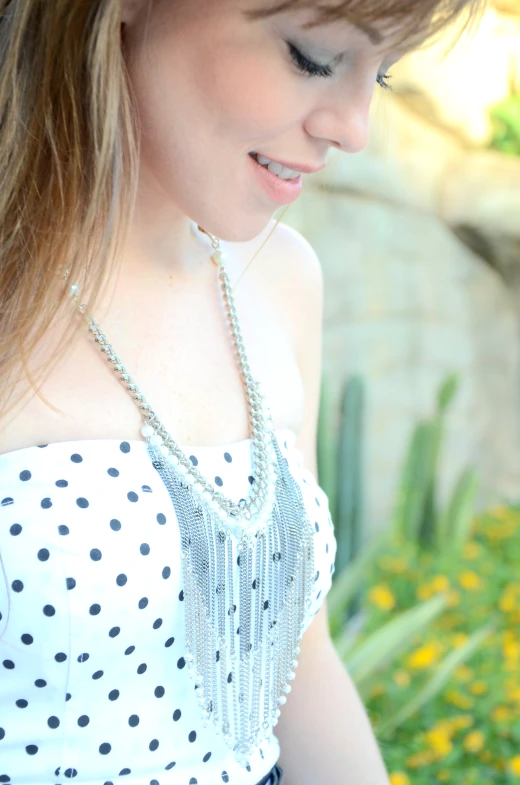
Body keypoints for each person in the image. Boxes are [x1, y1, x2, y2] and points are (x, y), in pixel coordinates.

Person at [0, 1, 483, 783]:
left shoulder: (280, 279)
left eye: (382, 73)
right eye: (314, 56)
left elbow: (302, 658)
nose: (352, 128)